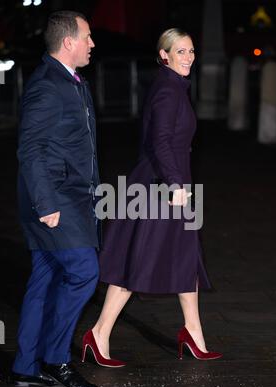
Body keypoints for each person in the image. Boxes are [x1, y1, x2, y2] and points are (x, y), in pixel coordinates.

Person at [81, 28, 222, 367]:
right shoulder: (168, 90)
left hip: (174, 184)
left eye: (191, 50)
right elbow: (159, 142)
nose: (188, 57)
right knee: (138, 260)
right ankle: (99, 333)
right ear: (165, 56)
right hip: (160, 187)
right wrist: (175, 185)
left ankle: (192, 332)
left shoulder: (175, 86)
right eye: (181, 52)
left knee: (187, 257)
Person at [13, 11, 100, 387]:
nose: (92, 44)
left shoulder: (72, 80)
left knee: (45, 277)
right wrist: (47, 204)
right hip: (54, 200)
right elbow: (30, 148)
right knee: (84, 272)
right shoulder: (47, 85)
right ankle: (55, 359)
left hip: (69, 197)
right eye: (88, 37)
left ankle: (26, 365)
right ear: (69, 42)